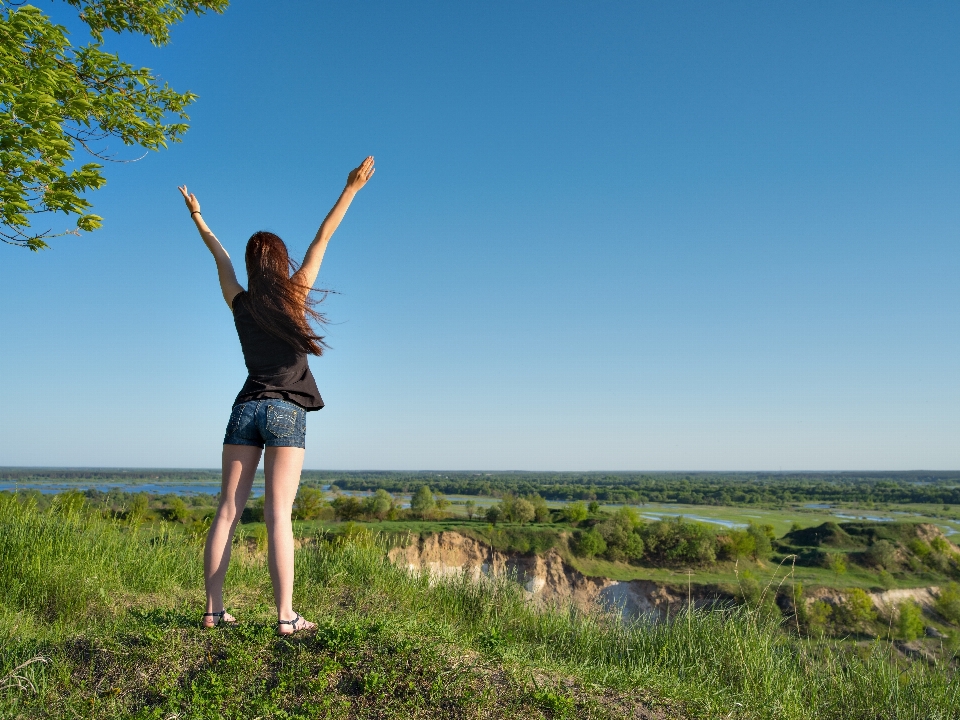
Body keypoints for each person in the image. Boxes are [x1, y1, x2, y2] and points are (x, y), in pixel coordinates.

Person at [177, 156, 375, 634]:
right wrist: (351, 189)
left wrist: (198, 216)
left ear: (250, 265)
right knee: (277, 516)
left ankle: (213, 611)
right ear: (281, 262)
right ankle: (285, 617)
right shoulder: (296, 293)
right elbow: (322, 237)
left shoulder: (238, 301)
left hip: (244, 408)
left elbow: (217, 255)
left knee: (227, 509)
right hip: (285, 410)